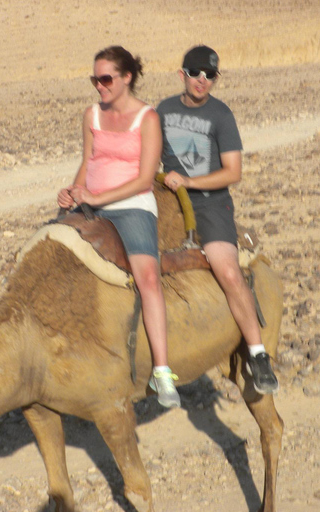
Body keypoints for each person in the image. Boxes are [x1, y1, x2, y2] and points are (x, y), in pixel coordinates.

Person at [57, 46, 180, 408]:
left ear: (127, 77)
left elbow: (144, 179)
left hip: (131, 207)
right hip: (89, 202)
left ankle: (161, 370)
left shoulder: (148, 118)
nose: (100, 86)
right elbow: (88, 162)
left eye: (106, 78)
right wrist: (72, 192)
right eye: (95, 79)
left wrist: (99, 198)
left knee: (148, 278)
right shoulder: (91, 114)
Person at [157, 46, 279, 394]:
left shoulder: (221, 115)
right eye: (196, 73)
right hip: (169, 201)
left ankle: (258, 355)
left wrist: (189, 181)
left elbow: (233, 172)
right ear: (182, 74)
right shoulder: (163, 111)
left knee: (226, 270)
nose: (202, 81)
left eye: (210, 75)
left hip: (211, 205)